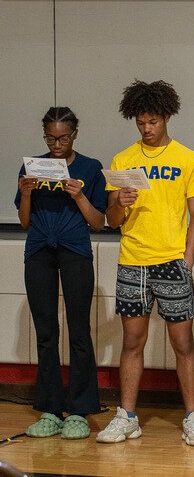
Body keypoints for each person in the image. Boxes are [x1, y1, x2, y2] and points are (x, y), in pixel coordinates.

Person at [96, 80, 194, 446]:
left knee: (182, 343)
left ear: (167, 117)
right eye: (141, 122)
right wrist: (120, 204)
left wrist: (187, 261)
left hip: (172, 262)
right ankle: (127, 416)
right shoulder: (122, 160)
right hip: (133, 261)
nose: (147, 128)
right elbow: (111, 220)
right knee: (132, 341)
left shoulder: (188, 158)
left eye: (153, 121)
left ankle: (193, 417)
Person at [15, 107, 106, 439]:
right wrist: (26, 193)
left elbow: (99, 221)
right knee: (46, 332)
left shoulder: (90, 168)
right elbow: (25, 222)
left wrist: (79, 194)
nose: (56, 143)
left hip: (75, 251)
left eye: (63, 137)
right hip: (39, 250)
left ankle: (80, 411)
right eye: (50, 137)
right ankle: (51, 409)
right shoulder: (32, 166)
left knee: (79, 330)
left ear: (74, 135)